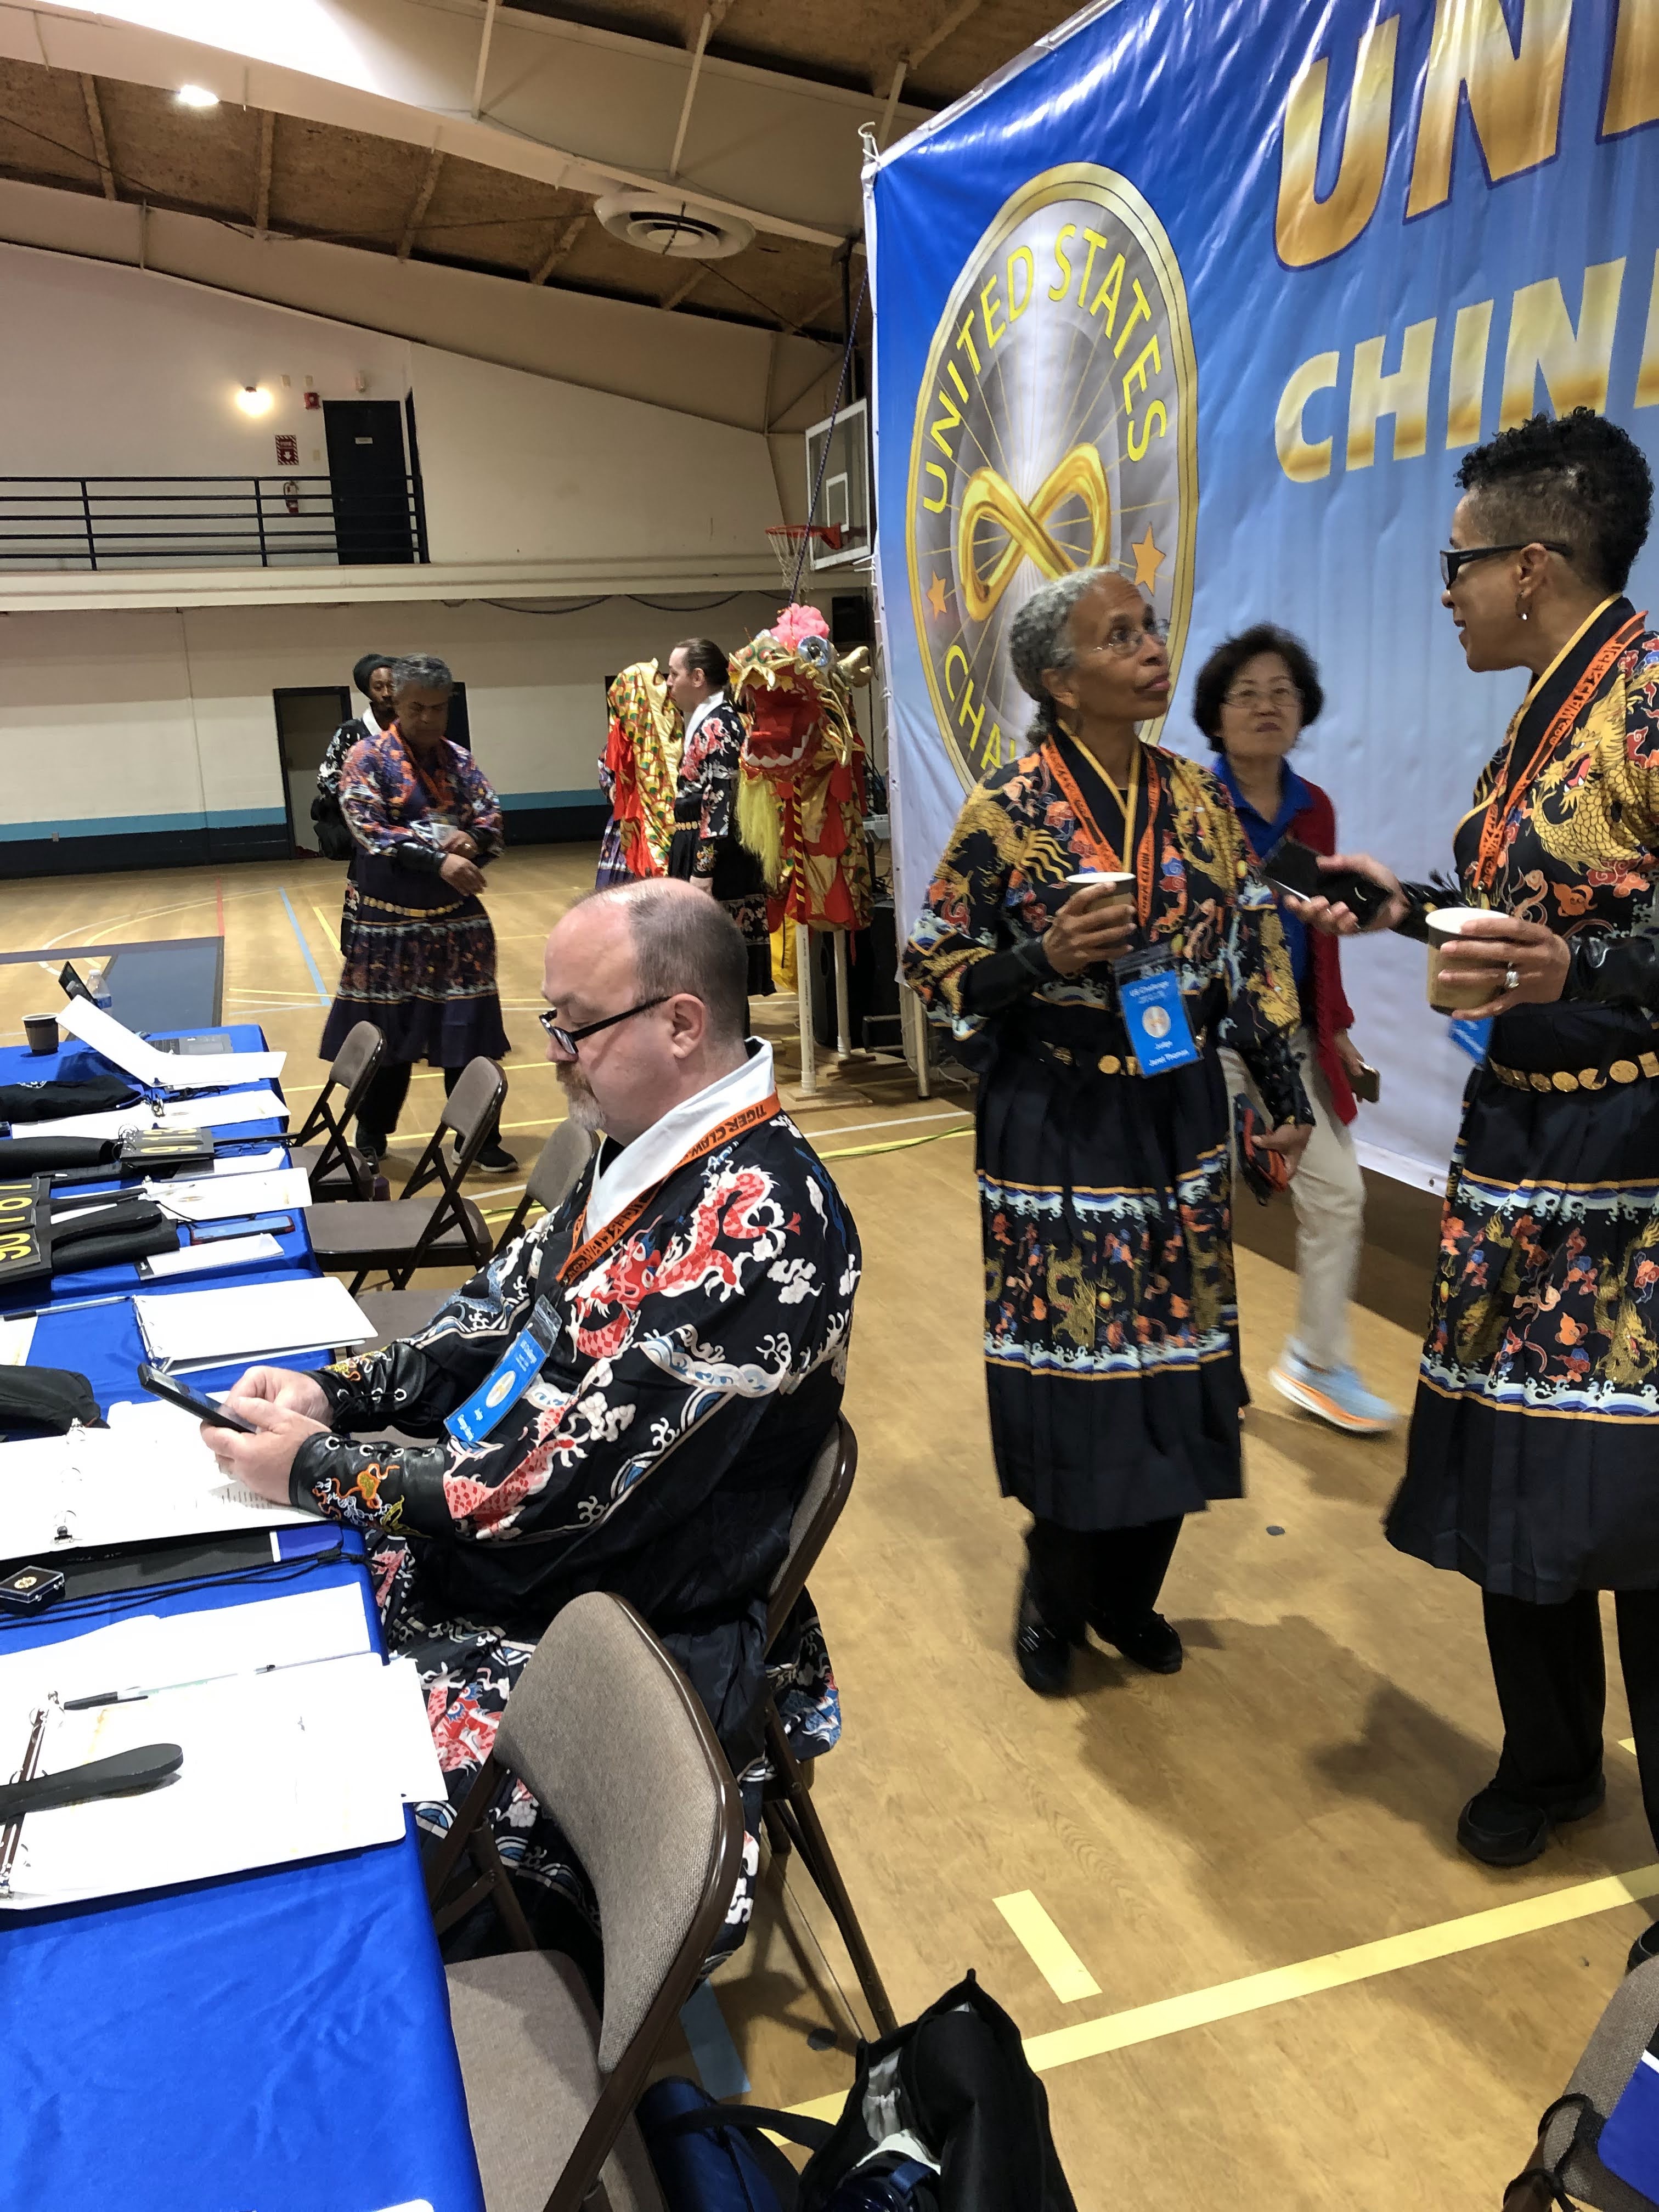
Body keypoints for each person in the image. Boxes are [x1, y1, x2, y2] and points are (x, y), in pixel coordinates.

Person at [206, 879, 861, 1953]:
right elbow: (493, 1317)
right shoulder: (644, 1144)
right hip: (528, 1562)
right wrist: (340, 1393)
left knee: (289, 1801)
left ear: (680, 1024)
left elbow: (559, 1490)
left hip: (622, 1617)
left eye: (575, 1025)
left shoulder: (762, 1216)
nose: (552, 1051)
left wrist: (322, 1468)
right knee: (250, 1632)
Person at [1296, 409, 1659, 1878]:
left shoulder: (1649, 705)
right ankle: (1551, 1760)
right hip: (1522, 1155)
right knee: (1520, 1467)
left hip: (1633, 1164)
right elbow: (1529, 928)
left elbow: (1586, 949)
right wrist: (1399, 908)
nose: (1444, 594)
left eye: (1456, 566)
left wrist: (1591, 972)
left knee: (1638, 1499)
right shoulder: (1538, 717)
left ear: (1531, 566)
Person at [902, 566, 1313, 1696]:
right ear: (1059, 681)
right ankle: (1056, 1588)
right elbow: (934, 966)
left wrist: (1284, 1103)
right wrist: (1039, 959)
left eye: (1150, 629)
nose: (1150, 650)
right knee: (1080, 1365)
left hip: (1174, 1110)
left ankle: (1129, 1595)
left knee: (1176, 1361)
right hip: (1056, 1115)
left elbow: (1250, 952)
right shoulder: (1006, 811)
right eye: (1119, 636)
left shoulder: (1197, 799)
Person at [1197, 624, 1396, 1434]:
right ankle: (1204, 1368)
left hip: (1292, 1035)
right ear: (1215, 715)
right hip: (1208, 1033)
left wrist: (1334, 1028)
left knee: (1340, 1194)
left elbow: (1324, 932)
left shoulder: (1315, 809)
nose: (1266, 707)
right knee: (1202, 1197)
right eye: (1246, 693)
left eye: (1282, 692)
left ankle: (1317, 1361)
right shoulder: (1192, 803)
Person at [319, 653, 515, 1173]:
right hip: (388, 925)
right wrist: (438, 860)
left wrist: (473, 841)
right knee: (386, 1033)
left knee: (468, 1031)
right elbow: (368, 828)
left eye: (438, 707)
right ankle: (372, 1133)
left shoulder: (460, 760)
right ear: (395, 705)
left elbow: (491, 817)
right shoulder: (366, 757)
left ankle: (477, 1137)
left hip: (458, 924)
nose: (428, 718)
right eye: (416, 708)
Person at [665, 636, 773, 996]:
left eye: (674, 674)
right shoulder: (707, 721)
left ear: (698, 677)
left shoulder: (719, 724)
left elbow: (720, 800)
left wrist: (702, 870)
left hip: (714, 857)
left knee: (715, 973)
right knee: (702, 971)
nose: (668, 683)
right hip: (698, 845)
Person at [313, 651, 397, 865]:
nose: (387, 693)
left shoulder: (410, 732)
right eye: (378, 687)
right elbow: (327, 778)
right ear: (368, 691)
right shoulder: (351, 732)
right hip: (365, 833)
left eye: (392, 686)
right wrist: (362, 802)